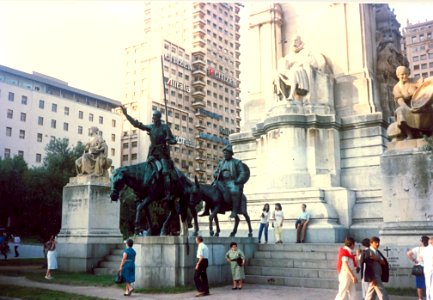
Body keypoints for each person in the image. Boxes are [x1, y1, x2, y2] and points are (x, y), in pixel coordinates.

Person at [121, 106, 177, 201]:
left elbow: (174, 140)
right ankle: (141, 194)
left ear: (159, 118)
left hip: (163, 154)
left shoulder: (165, 127)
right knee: (146, 172)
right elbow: (137, 124)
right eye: (153, 117)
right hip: (152, 153)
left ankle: (168, 193)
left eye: (155, 117)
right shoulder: (150, 127)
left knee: (165, 172)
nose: (153, 119)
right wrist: (126, 114)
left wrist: (169, 140)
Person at [389, 65, 433, 140]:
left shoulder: (414, 80)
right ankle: (409, 134)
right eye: (402, 74)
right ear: (398, 75)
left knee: (431, 108)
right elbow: (401, 102)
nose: (405, 76)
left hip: (421, 105)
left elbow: (426, 85)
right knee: (400, 110)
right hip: (408, 107)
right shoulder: (397, 87)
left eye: (406, 73)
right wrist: (409, 109)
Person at [212, 144, 249, 218]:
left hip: (232, 181)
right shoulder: (221, 162)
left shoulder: (237, 162)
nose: (225, 155)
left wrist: (238, 180)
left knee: (234, 191)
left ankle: (234, 211)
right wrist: (216, 175)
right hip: (222, 181)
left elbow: (242, 172)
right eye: (224, 153)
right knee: (211, 189)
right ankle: (211, 208)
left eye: (227, 153)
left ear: (231, 154)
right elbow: (216, 172)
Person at [407, 236, 429, 300]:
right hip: (428, 268)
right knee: (429, 285)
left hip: (419, 268)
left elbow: (408, 253)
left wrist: (414, 260)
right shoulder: (430, 248)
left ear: (422, 241)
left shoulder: (417, 249)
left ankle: (420, 298)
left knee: (419, 285)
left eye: (420, 240)